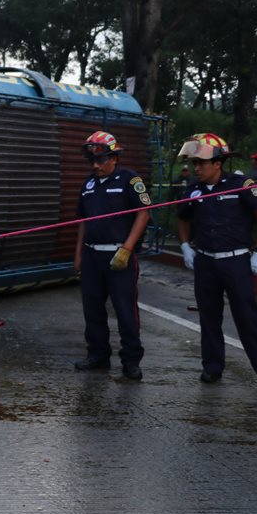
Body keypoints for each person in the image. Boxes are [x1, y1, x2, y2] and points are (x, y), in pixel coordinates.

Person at [175, 133, 257, 390]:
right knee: (209, 317)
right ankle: (212, 367)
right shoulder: (193, 189)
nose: (197, 168)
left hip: (236, 262)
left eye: (201, 163)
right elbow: (182, 218)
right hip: (205, 263)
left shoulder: (240, 184)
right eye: (194, 164)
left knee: (247, 317)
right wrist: (184, 246)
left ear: (218, 163)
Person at [73, 131, 150, 380]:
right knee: (92, 309)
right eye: (92, 161)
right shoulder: (89, 184)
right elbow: (83, 222)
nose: (96, 166)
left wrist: (127, 249)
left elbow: (144, 213)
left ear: (114, 158)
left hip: (120, 256)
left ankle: (131, 360)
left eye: (101, 160)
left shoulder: (129, 179)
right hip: (92, 256)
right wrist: (78, 255)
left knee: (125, 310)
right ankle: (98, 355)